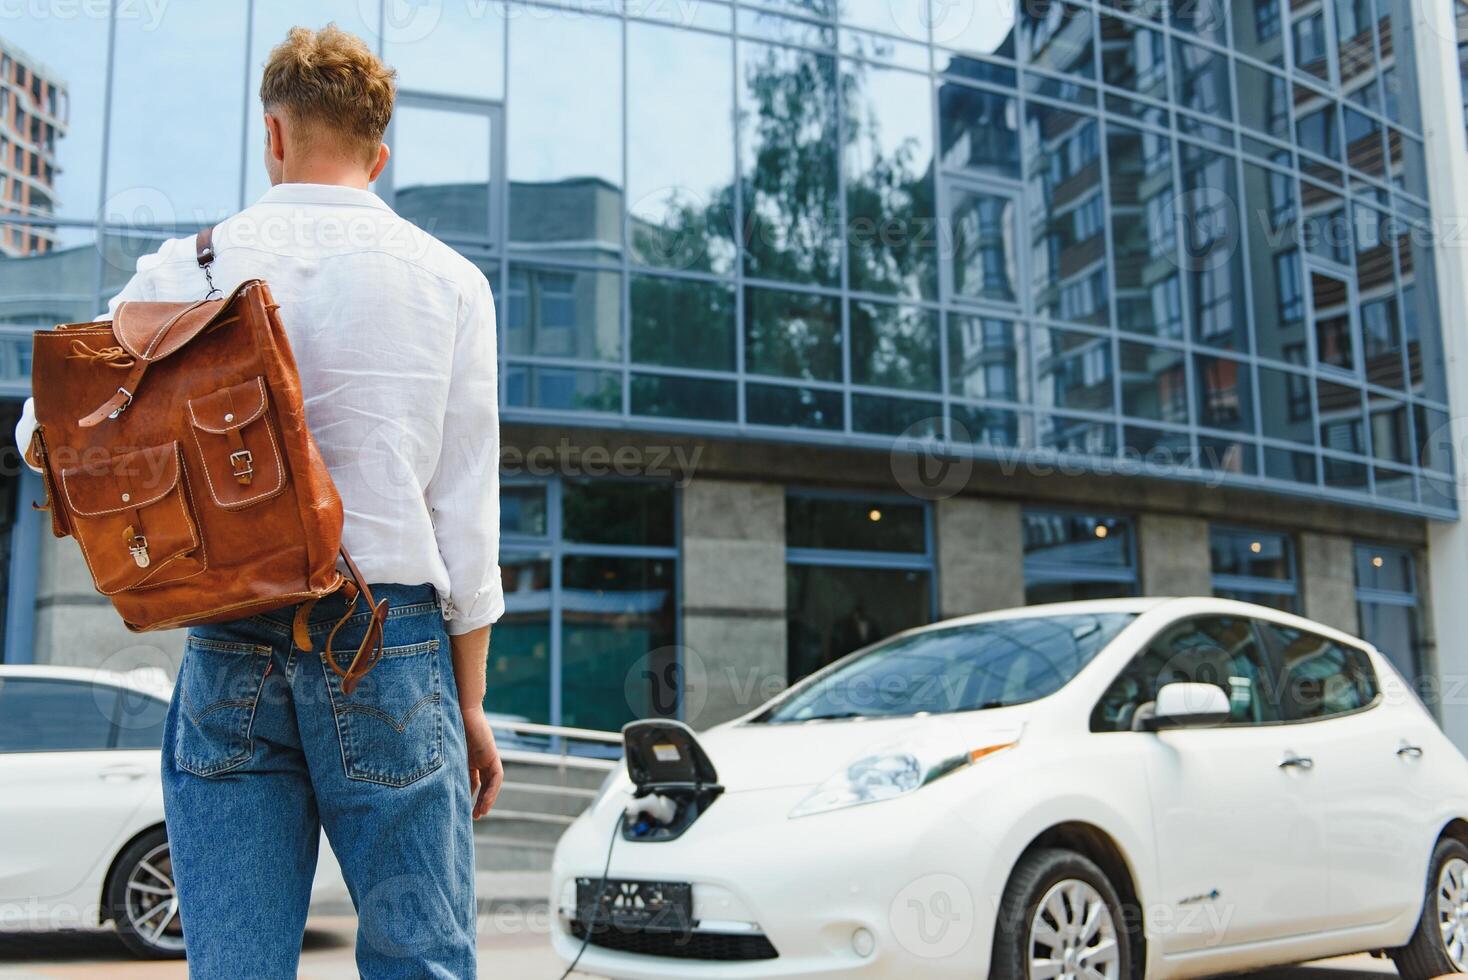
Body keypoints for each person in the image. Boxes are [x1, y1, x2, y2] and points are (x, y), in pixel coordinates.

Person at [17, 24, 503, 978]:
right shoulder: (451, 282)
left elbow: (43, 433)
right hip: (388, 645)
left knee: (235, 966)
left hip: (230, 637)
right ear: (380, 152)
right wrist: (470, 701)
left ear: (273, 137)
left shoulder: (187, 268)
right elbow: (467, 519)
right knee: (423, 961)